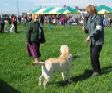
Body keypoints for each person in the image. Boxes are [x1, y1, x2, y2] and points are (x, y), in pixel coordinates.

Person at [83, 5, 104, 76]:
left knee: (94, 55)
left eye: (88, 11)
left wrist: (90, 36)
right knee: (92, 56)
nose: (87, 12)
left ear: (91, 11)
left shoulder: (98, 18)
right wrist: (85, 29)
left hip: (98, 41)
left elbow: (98, 29)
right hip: (92, 41)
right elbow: (88, 29)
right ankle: (96, 69)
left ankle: (97, 71)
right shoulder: (89, 18)